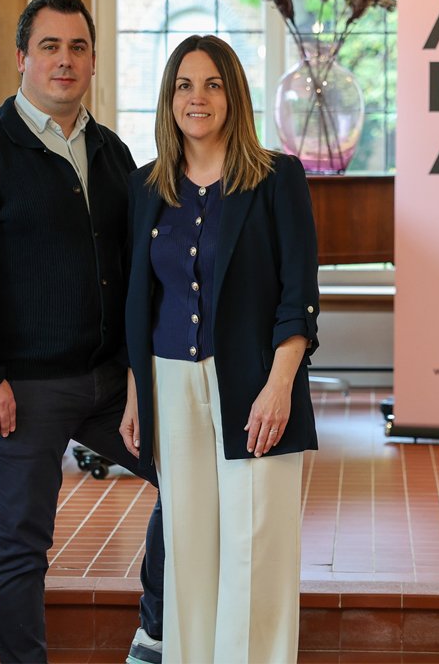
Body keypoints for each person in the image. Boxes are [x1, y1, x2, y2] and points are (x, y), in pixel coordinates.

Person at [0, 0, 164, 664]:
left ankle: (155, 635)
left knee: (192, 482)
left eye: (78, 47)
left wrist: (136, 373)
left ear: (93, 60)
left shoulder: (112, 153)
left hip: (107, 382)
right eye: (50, 46)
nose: (65, 60)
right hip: (18, 387)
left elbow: (136, 269)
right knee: (22, 542)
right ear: (21, 58)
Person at [119, 35, 320, 663]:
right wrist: (136, 393)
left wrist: (279, 387)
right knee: (188, 548)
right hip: (169, 381)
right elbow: (139, 301)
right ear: (169, 98)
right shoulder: (145, 187)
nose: (197, 97)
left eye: (212, 84)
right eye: (184, 85)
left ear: (233, 95)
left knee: (254, 547)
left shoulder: (277, 178)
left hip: (255, 381)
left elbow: (299, 296)